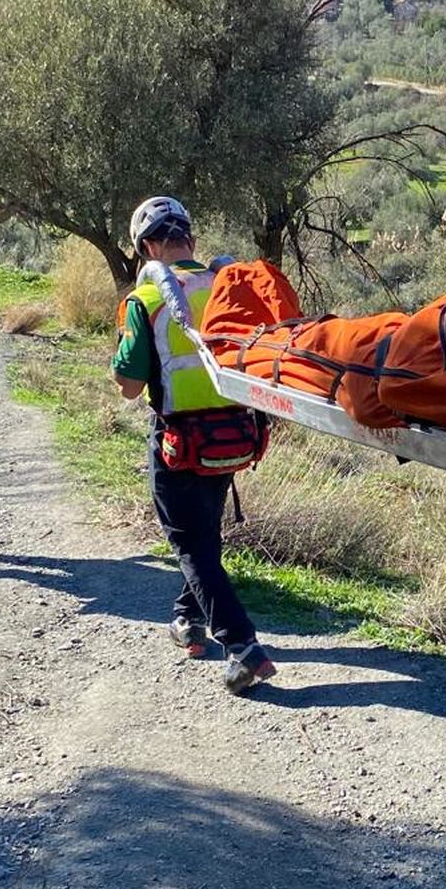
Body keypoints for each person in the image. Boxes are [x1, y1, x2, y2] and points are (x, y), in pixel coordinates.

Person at [111, 195, 277, 695]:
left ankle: (243, 647)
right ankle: (188, 619)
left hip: (179, 443)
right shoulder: (227, 289)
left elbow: (129, 386)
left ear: (146, 248)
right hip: (233, 437)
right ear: (192, 242)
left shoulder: (147, 301)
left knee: (189, 544)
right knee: (204, 533)